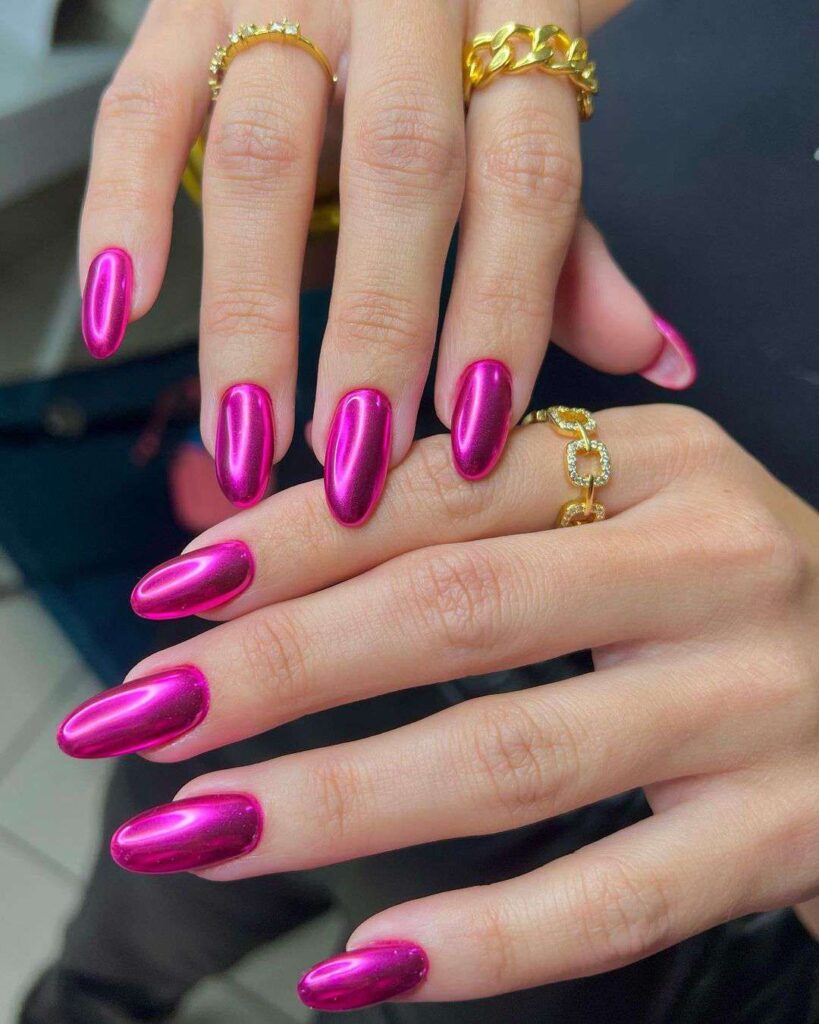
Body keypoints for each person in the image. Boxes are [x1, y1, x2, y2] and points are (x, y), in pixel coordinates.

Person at [23, 0, 819, 1020]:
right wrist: (340, 128)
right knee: (136, 910)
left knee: (433, 972)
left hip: (709, 815)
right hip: (333, 566)